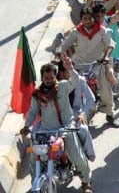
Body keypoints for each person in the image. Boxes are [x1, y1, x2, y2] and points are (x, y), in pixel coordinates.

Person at [21, 59, 93, 192]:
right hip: (46, 130)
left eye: (51, 77)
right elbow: (32, 112)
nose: (48, 80)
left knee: (77, 156)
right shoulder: (37, 95)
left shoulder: (63, 86)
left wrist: (70, 68)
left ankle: (86, 182)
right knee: (33, 157)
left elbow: (75, 81)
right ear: (42, 77)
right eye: (46, 77)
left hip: (65, 128)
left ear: (56, 77)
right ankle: (35, 183)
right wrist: (26, 127)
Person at [60, 7, 117, 126]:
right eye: (84, 19)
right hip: (79, 65)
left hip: (97, 64)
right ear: (81, 19)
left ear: (93, 18)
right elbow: (65, 45)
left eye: (89, 18)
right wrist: (60, 54)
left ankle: (110, 114)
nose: (87, 21)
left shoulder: (102, 31)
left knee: (105, 88)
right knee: (71, 88)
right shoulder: (76, 32)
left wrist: (105, 56)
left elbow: (110, 44)